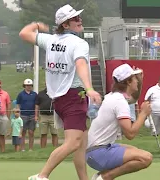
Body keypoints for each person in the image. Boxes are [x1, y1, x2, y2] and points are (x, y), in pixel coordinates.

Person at [19, 4, 102, 180]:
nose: (80, 20)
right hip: (74, 97)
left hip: (60, 99)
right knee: (73, 143)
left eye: (78, 17)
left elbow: (24, 33)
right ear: (65, 24)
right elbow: (80, 64)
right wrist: (90, 89)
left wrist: (37, 25)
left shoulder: (50, 40)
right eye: (75, 19)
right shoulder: (79, 43)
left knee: (80, 144)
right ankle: (42, 176)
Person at [86, 63, 153, 180]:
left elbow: (134, 98)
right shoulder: (119, 101)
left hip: (95, 151)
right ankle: (106, 177)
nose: (136, 81)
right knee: (146, 158)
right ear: (128, 82)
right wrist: (143, 114)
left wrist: (141, 80)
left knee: (135, 151)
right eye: (135, 79)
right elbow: (130, 134)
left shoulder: (113, 96)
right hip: (98, 153)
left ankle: (100, 176)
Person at [16, 79, 37, 151]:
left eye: (30, 85)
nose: (28, 87)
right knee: (23, 132)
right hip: (23, 115)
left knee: (31, 132)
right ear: (24, 86)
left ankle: (30, 148)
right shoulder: (21, 94)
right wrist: (18, 114)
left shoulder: (34, 94)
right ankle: (23, 148)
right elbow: (18, 104)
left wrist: (37, 115)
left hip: (32, 115)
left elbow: (36, 105)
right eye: (27, 85)